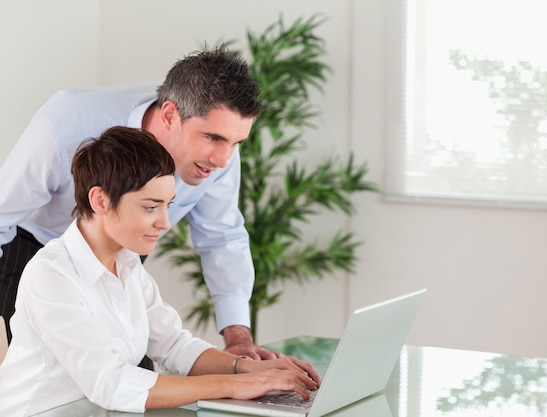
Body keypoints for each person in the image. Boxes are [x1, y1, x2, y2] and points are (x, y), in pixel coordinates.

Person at [0, 126, 320, 416]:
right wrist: (232, 386)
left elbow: (175, 346)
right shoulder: (51, 275)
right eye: (151, 207)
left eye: (168, 205)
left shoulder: (128, 267)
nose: (165, 223)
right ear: (99, 200)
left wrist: (247, 369)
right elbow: (109, 383)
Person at [0, 46, 272, 359]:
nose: (223, 160)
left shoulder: (217, 155)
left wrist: (238, 339)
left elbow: (222, 236)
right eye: (213, 138)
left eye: (235, 143)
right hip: (35, 252)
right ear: (170, 115)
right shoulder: (65, 125)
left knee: (139, 373)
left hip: (121, 259)